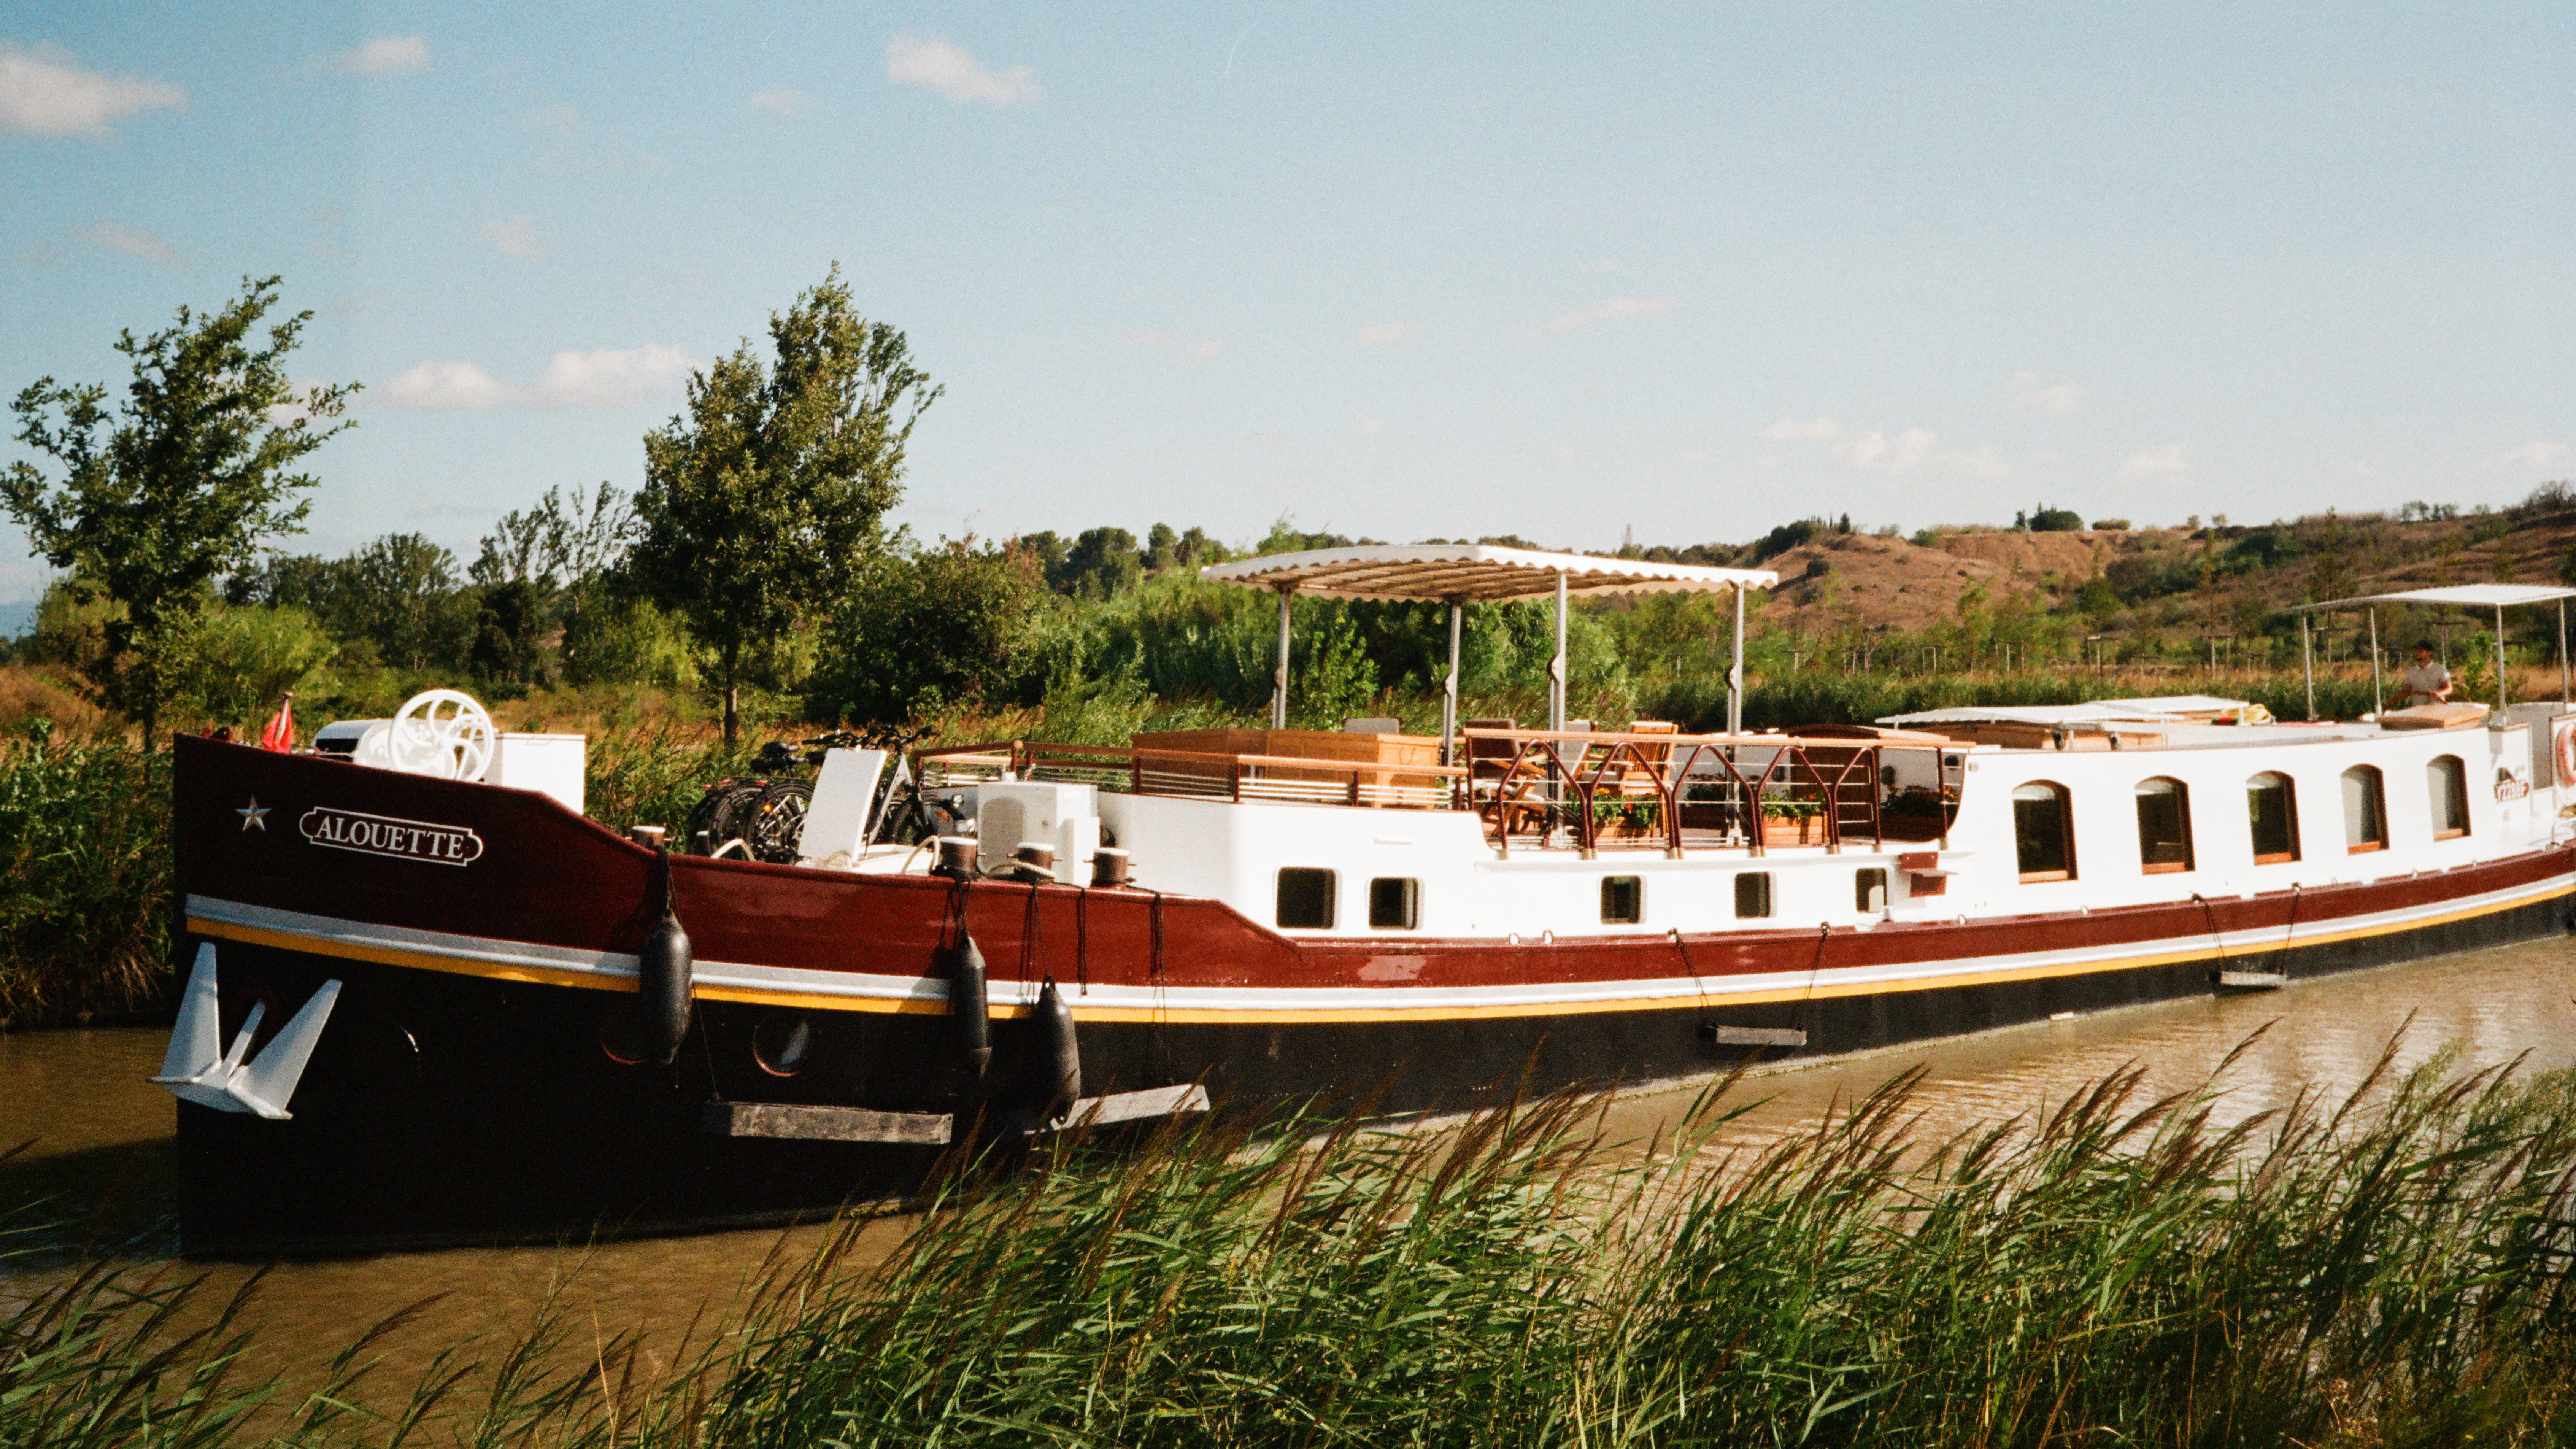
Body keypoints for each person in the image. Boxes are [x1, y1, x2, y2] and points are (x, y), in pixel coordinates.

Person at [2391, 642, 2452, 710]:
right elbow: (2406, 692)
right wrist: (2390, 702)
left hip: (2437, 711)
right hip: (2418, 712)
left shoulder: (2440, 669)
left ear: (2430, 653)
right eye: (2415, 651)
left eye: (2420, 651)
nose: (2416, 653)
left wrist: (2439, 694)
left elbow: (2449, 688)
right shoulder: (2411, 672)